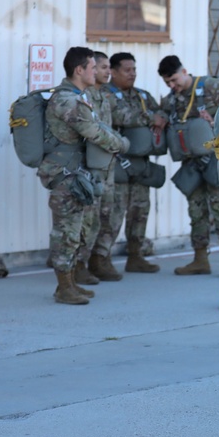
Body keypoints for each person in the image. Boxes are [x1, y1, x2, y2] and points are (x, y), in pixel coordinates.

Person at [40, 46, 128, 305]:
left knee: (75, 228)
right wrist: (121, 144)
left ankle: (69, 284)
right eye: (93, 67)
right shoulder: (68, 100)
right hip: (65, 175)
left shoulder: (78, 97)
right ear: (79, 70)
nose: (98, 72)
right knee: (65, 231)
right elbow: (93, 132)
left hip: (74, 174)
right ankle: (64, 287)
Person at [157, 55, 219, 277]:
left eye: (174, 80)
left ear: (184, 72)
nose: (172, 86)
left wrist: (216, 121)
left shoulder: (215, 87)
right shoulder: (171, 100)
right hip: (191, 164)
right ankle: (200, 259)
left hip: (216, 160)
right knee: (196, 212)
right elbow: (162, 116)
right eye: (168, 83)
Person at [98, 52, 165, 275]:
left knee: (140, 211)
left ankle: (135, 256)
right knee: (113, 214)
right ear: (113, 72)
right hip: (117, 164)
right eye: (127, 70)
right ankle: (101, 258)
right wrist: (149, 119)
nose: (132, 74)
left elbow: (160, 113)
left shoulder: (142, 96)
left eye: (134, 69)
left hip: (140, 165)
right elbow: (118, 116)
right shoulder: (105, 95)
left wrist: (159, 118)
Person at [79, 51, 120, 284]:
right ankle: (79, 264)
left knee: (107, 215)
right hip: (91, 167)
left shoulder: (105, 95)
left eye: (106, 67)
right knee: (89, 219)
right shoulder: (83, 97)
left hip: (107, 167)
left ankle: (99, 259)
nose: (106, 71)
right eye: (102, 67)